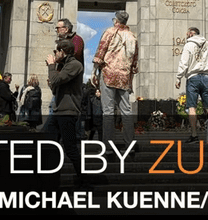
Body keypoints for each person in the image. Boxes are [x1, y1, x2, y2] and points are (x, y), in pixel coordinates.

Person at [93, 10, 139, 151]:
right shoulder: (132, 37)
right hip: (124, 77)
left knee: (108, 111)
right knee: (126, 110)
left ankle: (108, 146)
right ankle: (130, 144)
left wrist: (94, 71)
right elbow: (135, 63)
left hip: (108, 74)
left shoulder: (110, 32)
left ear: (116, 21)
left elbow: (100, 52)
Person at [47, 38, 86, 187]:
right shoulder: (63, 66)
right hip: (58, 111)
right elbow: (55, 87)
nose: (54, 54)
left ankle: (84, 180)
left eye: (56, 51)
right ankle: (51, 180)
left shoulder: (75, 65)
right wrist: (53, 74)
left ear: (63, 51)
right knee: (49, 144)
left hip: (67, 112)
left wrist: (52, 66)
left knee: (70, 148)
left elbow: (57, 80)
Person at [175, 27, 208, 143]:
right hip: (206, 78)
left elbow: (184, 63)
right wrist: (206, 66)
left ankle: (194, 135)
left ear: (190, 33)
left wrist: (178, 78)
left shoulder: (188, 45)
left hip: (193, 77)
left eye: (187, 34)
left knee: (192, 107)